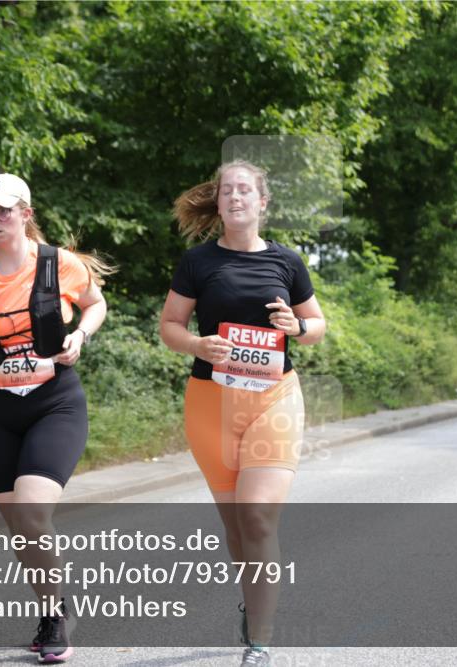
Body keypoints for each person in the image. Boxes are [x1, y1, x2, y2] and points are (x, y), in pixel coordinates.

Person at [0, 174, 110, 664]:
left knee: (34, 513)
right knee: (21, 528)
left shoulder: (58, 264)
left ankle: (56, 616)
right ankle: (52, 608)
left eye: (3, 210)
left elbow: (95, 305)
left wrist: (80, 334)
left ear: (26, 214)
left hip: (54, 401)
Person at [159, 160, 326, 667]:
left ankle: (260, 639)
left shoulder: (287, 261)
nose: (235, 198)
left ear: (262, 203)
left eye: (244, 191)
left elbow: (317, 323)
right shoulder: (198, 262)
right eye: (227, 191)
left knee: (257, 519)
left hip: (274, 398)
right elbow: (170, 326)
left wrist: (295, 327)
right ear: (220, 202)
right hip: (212, 402)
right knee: (236, 529)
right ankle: (251, 601)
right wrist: (198, 345)